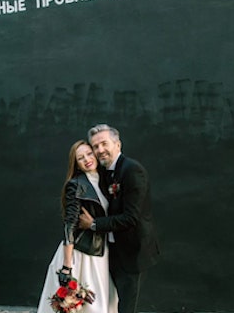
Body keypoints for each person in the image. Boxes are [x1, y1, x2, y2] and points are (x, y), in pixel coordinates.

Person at [78, 124, 160, 313]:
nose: (100, 150)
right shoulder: (105, 173)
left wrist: (93, 224)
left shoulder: (132, 170)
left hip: (133, 251)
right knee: (110, 303)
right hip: (111, 250)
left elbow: (130, 218)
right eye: (95, 146)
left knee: (126, 306)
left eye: (104, 144)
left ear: (118, 145)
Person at [36, 140, 119, 313]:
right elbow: (70, 225)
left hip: (101, 250)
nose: (87, 159)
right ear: (77, 165)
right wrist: (67, 265)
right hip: (82, 252)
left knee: (102, 301)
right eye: (81, 158)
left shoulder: (106, 180)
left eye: (89, 154)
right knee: (87, 306)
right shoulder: (76, 185)